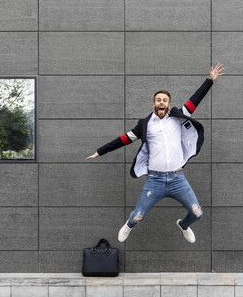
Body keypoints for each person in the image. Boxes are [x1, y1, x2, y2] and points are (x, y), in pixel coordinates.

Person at [86, 63, 225, 243]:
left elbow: (195, 99)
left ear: (168, 104)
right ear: (154, 104)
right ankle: (129, 224)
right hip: (155, 180)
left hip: (177, 179)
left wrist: (210, 80)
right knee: (138, 217)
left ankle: (183, 225)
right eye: (158, 100)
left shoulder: (177, 117)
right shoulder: (145, 124)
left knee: (197, 213)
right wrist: (99, 151)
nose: (161, 102)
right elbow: (123, 139)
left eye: (164, 100)